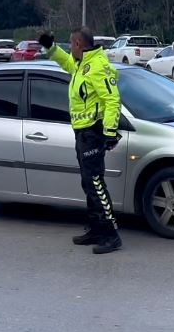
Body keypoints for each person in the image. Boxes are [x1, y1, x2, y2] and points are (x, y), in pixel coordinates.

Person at [39, 28, 123, 254]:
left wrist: (110, 132)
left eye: (70, 44)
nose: (69, 48)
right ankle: (96, 229)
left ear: (78, 43)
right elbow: (67, 63)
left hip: (93, 133)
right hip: (82, 133)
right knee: (88, 182)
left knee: (96, 183)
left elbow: (112, 100)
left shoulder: (98, 66)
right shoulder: (82, 63)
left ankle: (111, 235)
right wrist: (51, 48)